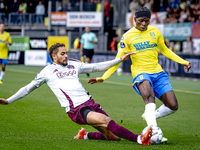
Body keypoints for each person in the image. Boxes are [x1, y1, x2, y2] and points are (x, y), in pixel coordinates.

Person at [0, 43, 153, 145]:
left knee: (113, 136)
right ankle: (140, 139)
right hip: (76, 109)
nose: (66, 56)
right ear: (54, 56)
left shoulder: (74, 64)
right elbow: (28, 88)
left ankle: (85, 135)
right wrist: (8, 100)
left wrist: (119, 60)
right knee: (105, 120)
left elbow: (96, 67)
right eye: (62, 54)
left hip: (90, 103)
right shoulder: (46, 72)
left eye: (66, 53)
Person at [88, 7, 191, 144]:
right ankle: (153, 130)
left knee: (173, 106)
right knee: (150, 98)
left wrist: (183, 62)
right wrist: (103, 77)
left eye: (147, 21)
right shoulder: (127, 37)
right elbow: (118, 60)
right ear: (135, 19)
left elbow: (165, 50)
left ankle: (149, 117)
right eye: (141, 21)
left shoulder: (155, 32)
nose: (143, 24)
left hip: (158, 73)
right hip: (141, 73)